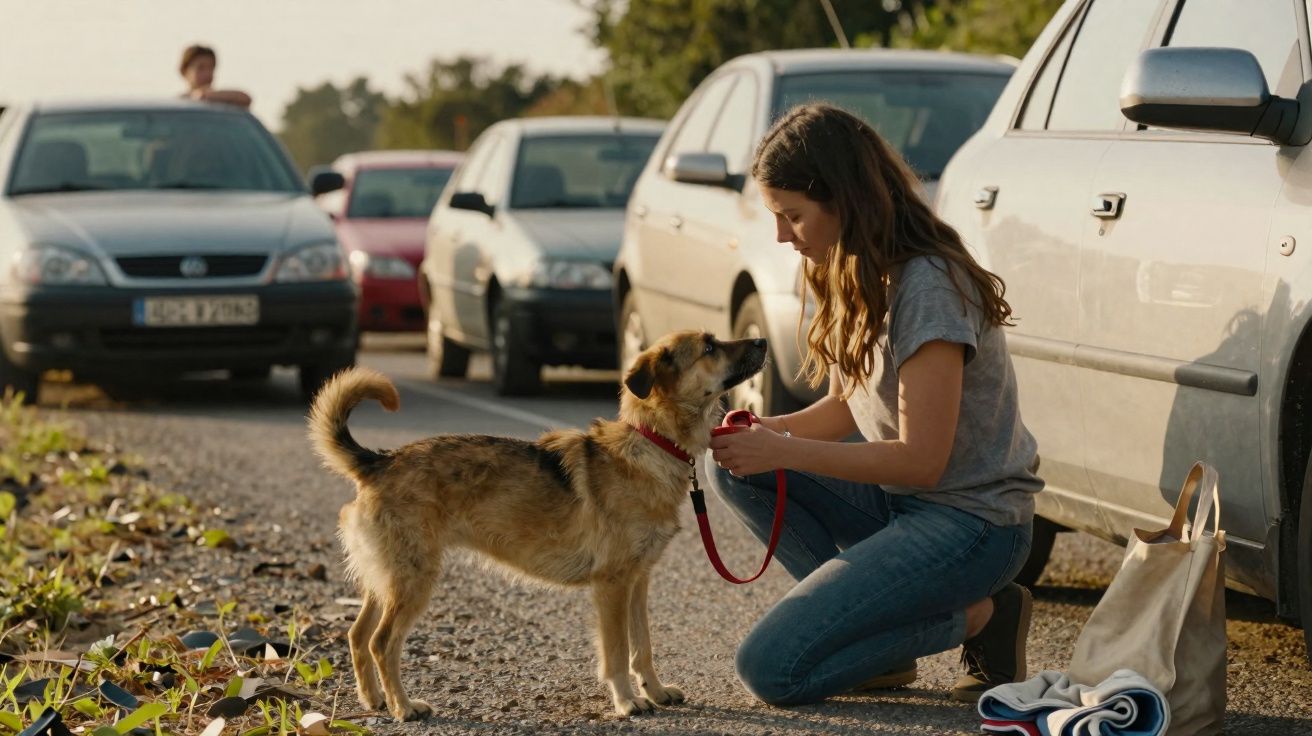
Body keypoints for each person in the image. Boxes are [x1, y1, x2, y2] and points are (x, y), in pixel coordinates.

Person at [706, 103, 1042, 707]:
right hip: (900, 507)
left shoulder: (929, 286)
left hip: (972, 525)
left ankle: (981, 616)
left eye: (793, 216)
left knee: (771, 670)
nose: (782, 235)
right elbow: (846, 409)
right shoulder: (854, 267)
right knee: (730, 465)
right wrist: (762, 432)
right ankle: (879, 646)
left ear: (845, 199)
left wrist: (780, 449)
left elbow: (921, 462)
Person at [179, 44, 251, 108]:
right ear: (184, 71)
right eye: (201, 68)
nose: (207, 74)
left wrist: (205, 95)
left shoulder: (221, 103)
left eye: (211, 68)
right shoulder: (179, 104)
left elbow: (245, 99)